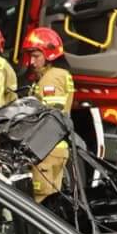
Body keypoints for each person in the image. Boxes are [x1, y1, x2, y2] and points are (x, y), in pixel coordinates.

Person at [20, 26, 74, 202]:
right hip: (55, 151)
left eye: (36, 56)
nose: (32, 62)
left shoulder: (51, 77)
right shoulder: (59, 75)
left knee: (39, 202)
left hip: (45, 153)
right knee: (51, 202)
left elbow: (50, 118)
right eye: (30, 57)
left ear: (50, 54)